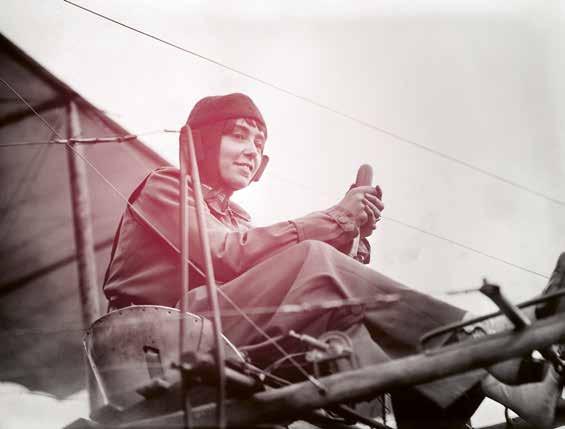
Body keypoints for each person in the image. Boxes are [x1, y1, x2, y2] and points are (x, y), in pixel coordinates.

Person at [103, 93, 564, 428]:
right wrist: (333, 220)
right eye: (238, 135)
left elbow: (270, 269)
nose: (252, 151)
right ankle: (479, 338)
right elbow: (228, 255)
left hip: (222, 334)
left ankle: (495, 390)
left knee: (345, 318)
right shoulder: (166, 185)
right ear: (202, 142)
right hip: (162, 337)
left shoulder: (236, 215)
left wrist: (348, 236)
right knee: (315, 258)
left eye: (258, 143)